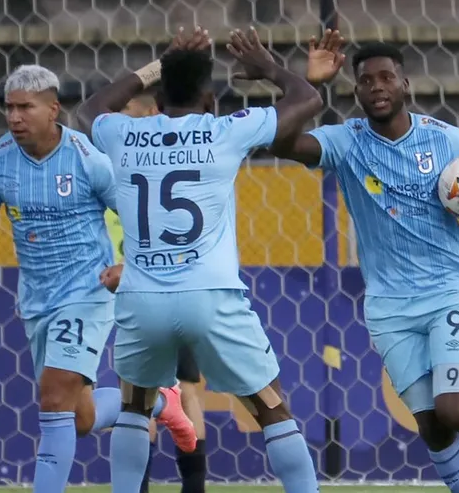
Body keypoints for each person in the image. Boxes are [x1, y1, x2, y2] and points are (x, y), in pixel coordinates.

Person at [270, 33, 459, 493]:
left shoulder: (447, 140)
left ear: (405, 84)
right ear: (355, 91)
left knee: (456, 412)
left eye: (386, 77)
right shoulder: (347, 143)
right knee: (434, 427)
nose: (376, 86)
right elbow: (282, 142)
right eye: (366, 80)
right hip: (389, 306)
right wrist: (307, 87)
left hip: (449, 289)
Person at [77, 26, 323, 493]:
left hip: (142, 295)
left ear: (159, 95)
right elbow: (308, 98)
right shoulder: (224, 131)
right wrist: (266, 66)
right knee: (272, 408)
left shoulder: (125, 135)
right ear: (210, 99)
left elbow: (89, 109)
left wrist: (158, 63)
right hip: (211, 296)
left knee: (134, 408)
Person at [0, 65, 194, 493]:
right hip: (37, 300)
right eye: (9, 108)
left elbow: (138, 217)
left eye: (26, 107)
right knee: (77, 418)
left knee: (52, 399)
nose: (15, 117)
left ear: (53, 109)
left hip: (88, 292)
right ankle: (160, 401)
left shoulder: (87, 158)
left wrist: (133, 267)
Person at [100, 92, 209, 493]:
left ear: (148, 112)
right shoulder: (185, 157)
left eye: (122, 112)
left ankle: (147, 487)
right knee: (183, 389)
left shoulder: (119, 164)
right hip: (178, 284)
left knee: (140, 393)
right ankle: (193, 488)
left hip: (141, 288)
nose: (116, 123)